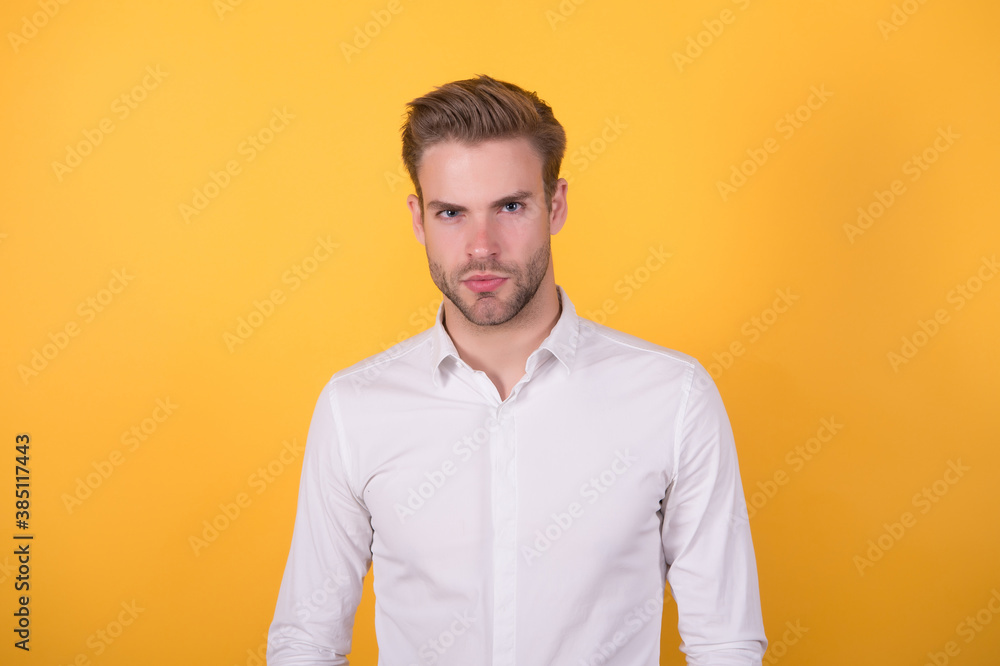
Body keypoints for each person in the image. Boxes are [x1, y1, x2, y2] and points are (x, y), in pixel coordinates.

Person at [267, 74, 767, 665]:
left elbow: (724, 643)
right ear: (419, 219)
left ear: (555, 206)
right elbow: (307, 641)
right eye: (451, 212)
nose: (482, 246)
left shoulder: (672, 397)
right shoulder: (355, 407)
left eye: (510, 206)